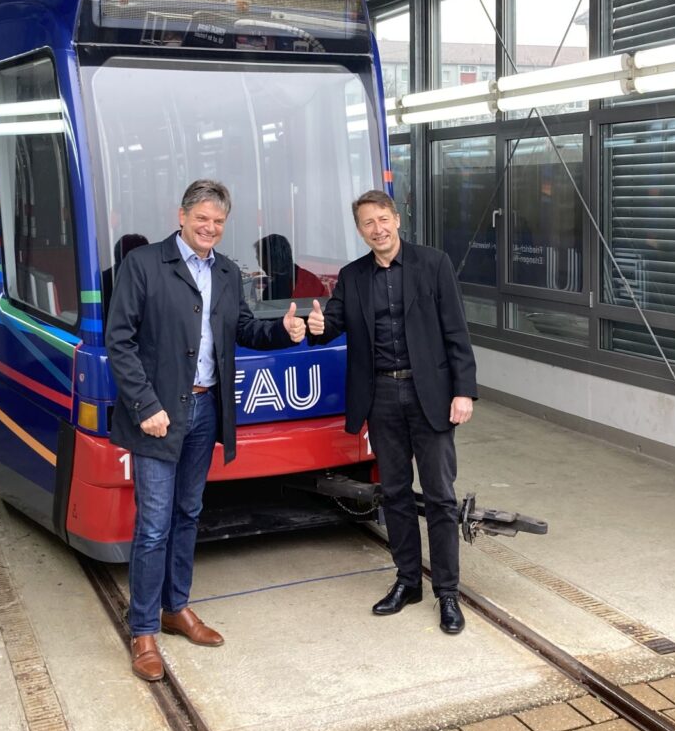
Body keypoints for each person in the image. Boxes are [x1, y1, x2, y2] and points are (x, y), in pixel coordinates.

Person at [105, 180, 306, 681]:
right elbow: (120, 342)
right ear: (181, 216)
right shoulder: (144, 265)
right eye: (202, 219)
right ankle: (144, 629)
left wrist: (286, 330)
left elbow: (242, 330)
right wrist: (145, 404)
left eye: (218, 222)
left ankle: (176, 608)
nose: (210, 229)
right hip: (158, 417)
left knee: (189, 512)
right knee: (154, 524)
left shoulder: (226, 271)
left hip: (204, 413)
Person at [307, 189, 477, 634]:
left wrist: (464, 392)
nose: (377, 229)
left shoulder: (433, 264)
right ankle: (407, 581)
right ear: (360, 230)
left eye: (383, 219)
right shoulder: (353, 276)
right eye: (368, 223)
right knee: (396, 494)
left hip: (433, 397)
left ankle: (447, 593)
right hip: (381, 396)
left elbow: (456, 332)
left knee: (440, 496)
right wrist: (317, 325)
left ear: (397, 219)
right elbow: (333, 325)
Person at [253, 233, 326, 300]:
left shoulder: (273, 290)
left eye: (259, 258)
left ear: (269, 259)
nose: (259, 264)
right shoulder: (311, 279)